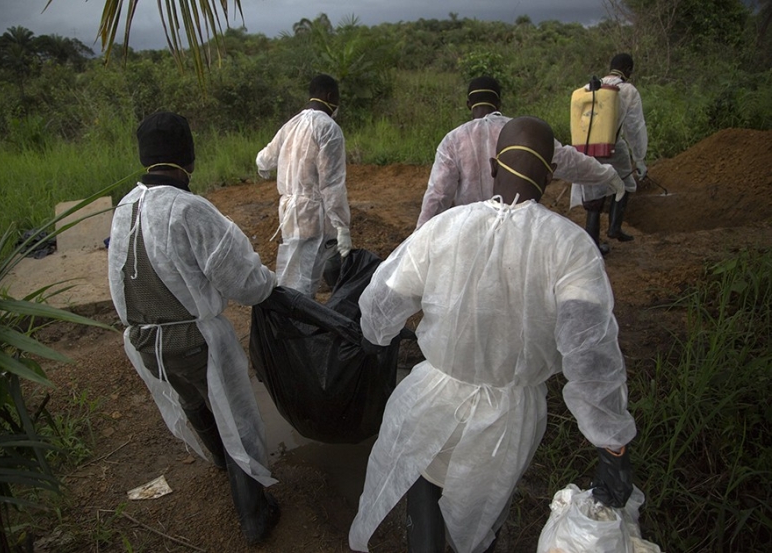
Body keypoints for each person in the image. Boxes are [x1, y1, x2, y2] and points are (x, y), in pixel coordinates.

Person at [350, 116, 636, 553]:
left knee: (426, 475)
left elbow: (381, 302)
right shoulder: (570, 247)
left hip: (432, 396)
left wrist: (377, 340)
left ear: (492, 163)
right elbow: (590, 352)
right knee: (480, 511)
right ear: (551, 173)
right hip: (507, 417)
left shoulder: (443, 228)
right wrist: (611, 445)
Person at [108, 111, 280, 545]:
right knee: (236, 421)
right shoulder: (189, 209)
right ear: (189, 154)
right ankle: (255, 516)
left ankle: (223, 466)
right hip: (195, 341)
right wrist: (270, 287)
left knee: (193, 403)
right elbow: (245, 282)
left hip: (146, 344)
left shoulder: (125, 206)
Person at [416, 76, 625, 230]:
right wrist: (608, 175)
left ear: (469, 104)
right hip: (516, 229)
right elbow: (570, 161)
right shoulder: (523, 132)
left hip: (468, 229)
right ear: (498, 103)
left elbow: (438, 195)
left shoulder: (453, 140)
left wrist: (418, 237)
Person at [256, 74, 352, 297]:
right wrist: (342, 225)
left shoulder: (291, 124)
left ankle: (306, 318)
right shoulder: (328, 128)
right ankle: (298, 327)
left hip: (288, 212)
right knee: (302, 282)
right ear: (329, 95)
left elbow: (265, 159)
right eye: (336, 98)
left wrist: (263, 168)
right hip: (312, 214)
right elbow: (332, 184)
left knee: (301, 268)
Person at [571, 53, 649, 254]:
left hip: (586, 148)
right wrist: (639, 158)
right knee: (624, 184)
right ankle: (614, 227)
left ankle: (593, 243)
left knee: (593, 194)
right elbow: (634, 126)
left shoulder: (588, 88)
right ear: (629, 70)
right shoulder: (628, 90)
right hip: (613, 147)